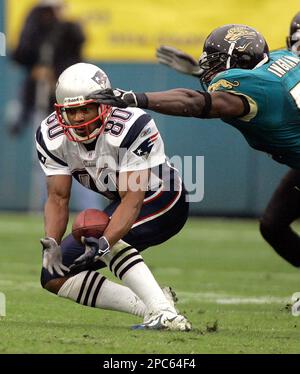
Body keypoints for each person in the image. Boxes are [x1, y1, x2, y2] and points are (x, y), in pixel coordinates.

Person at [86, 23, 300, 315]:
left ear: (235, 62)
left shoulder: (252, 87)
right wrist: (200, 73)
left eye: (213, 63)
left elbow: (197, 102)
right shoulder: (280, 59)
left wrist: (135, 98)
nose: (209, 70)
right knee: (274, 224)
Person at [35, 62, 192, 331]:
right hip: (121, 202)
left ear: (104, 105)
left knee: (99, 232)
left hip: (162, 197)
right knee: (53, 274)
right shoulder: (51, 136)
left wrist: (106, 241)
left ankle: (166, 316)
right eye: (71, 111)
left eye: (86, 108)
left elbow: (132, 198)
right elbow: (58, 198)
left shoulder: (132, 124)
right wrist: (51, 241)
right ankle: (152, 306)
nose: (79, 118)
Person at [10, 0, 85, 135]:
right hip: (36, 89)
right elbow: (21, 53)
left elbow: (76, 56)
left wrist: (58, 75)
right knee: (35, 122)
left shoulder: (69, 29)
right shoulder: (33, 26)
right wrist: (35, 69)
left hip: (61, 86)